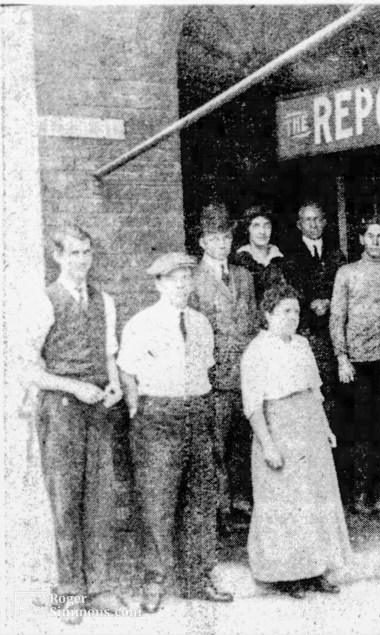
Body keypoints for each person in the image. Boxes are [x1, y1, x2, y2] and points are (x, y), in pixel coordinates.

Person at [118, 252, 233, 609]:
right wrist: (138, 407)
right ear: (159, 284)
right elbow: (126, 370)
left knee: (200, 499)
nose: (182, 285)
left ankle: (198, 577)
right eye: (174, 279)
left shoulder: (200, 323)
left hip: (197, 410)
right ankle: (154, 581)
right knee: (157, 502)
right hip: (158, 415)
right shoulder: (141, 323)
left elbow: (206, 370)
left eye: (187, 278)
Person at [28, 223, 125, 623]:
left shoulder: (105, 301)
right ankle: (70, 591)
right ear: (57, 257)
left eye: (86, 252)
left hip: (99, 408)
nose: (81, 261)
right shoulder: (43, 301)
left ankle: (99, 587)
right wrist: (73, 387)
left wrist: (115, 385)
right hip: (61, 409)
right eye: (73, 254)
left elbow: (108, 356)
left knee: (100, 499)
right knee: (66, 500)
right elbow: (26, 369)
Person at [241, 282, 351, 599]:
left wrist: (326, 428)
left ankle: (317, 570)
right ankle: (287, 576)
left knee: (316, 498)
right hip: (279, 428)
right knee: (286, 504)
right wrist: (268, 445)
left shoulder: (302, 344)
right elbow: (253, 406)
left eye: (296, 311)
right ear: (267, 314)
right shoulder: (256, 352)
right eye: (284, 312)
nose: (291, 317)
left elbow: (314, 391)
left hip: (309, 428)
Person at [329, 215, 380, 513]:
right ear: (361, 239)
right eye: (370, 235)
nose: (375, 241)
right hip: (357, 362)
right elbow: (337, 317)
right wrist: (341, 357)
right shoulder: (347, 273)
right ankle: (361, 494)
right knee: (362, 427)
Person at [191, 203, 258, 531]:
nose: (222, 244)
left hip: (245, 377)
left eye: (227, 237)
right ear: (203, 242)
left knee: (244, 441)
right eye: (215, 238)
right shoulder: (192, 280)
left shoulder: (244, 276)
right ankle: (221, 509)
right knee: (215, 445)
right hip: (214, 379)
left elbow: (254, 322)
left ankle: (243, 503)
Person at [282, 201, 346, 424]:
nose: (314, 224)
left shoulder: (337, 255)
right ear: (300, 225)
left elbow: (345, 288)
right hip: (307, 333)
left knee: (335, 395)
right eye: (308, 220)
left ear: (325, 222)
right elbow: (288, 293)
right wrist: (310, 303)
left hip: (333, 332)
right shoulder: (288, 258)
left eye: (318, 219)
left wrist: (330, 301)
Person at [231, 205, 286, 302]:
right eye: (256, 226)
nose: (262, 232)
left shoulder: (282, 260)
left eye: (267, 226)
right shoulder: (237, 261)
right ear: (248, 229)